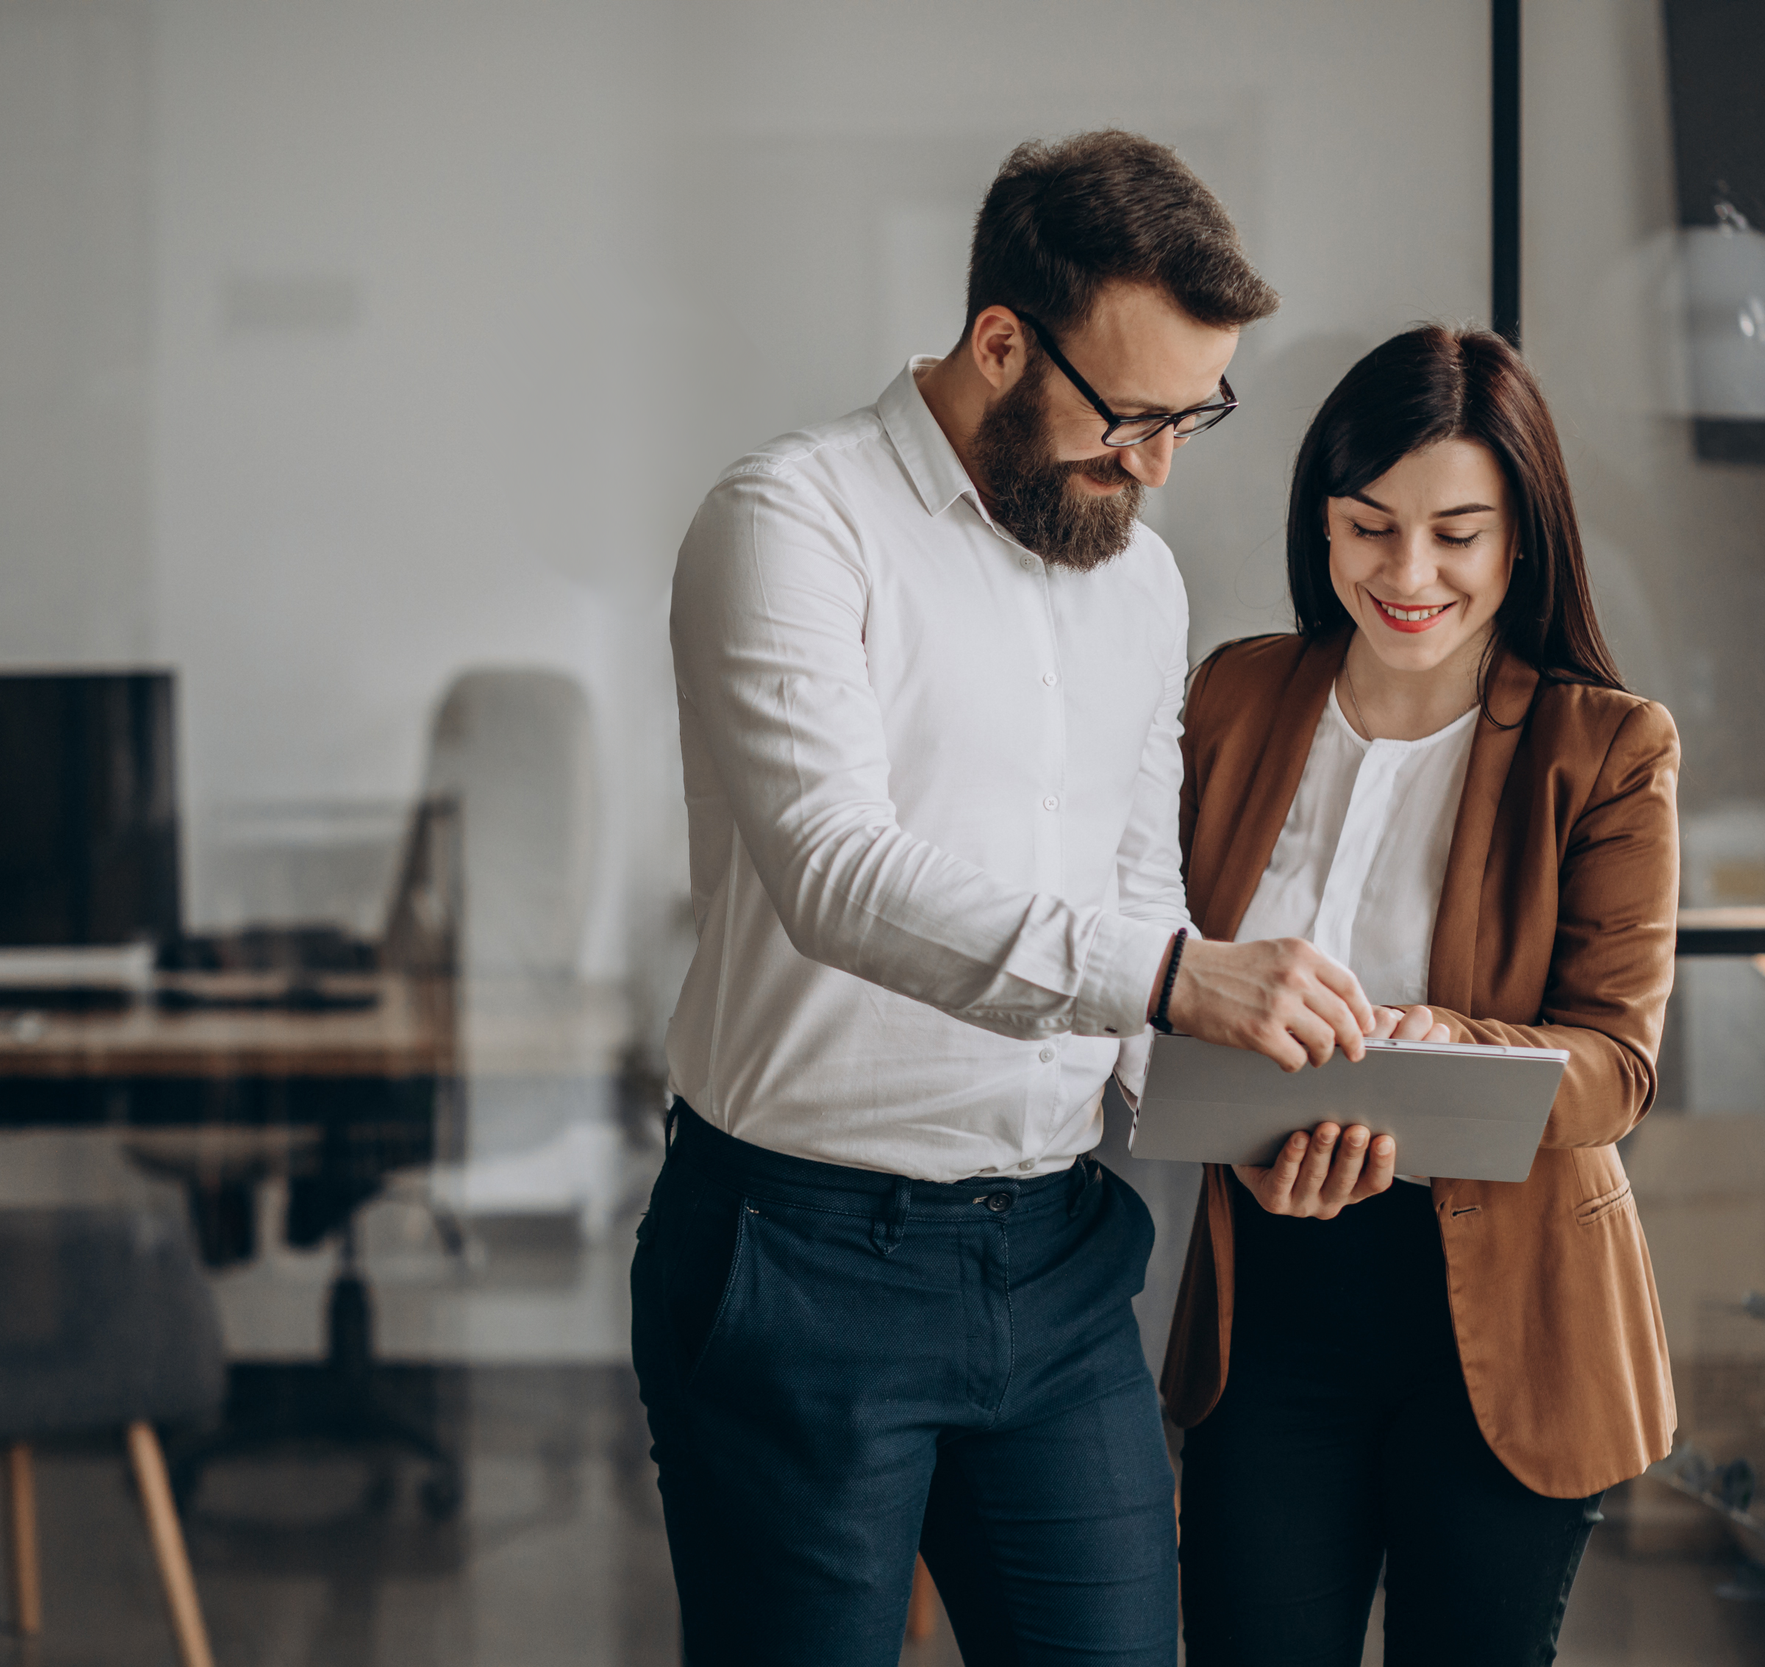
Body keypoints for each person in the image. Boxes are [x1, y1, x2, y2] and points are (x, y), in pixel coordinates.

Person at [641, 130, 1394, 1666]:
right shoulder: (790, 523)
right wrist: (1182, 977)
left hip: (1054, 1261)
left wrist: (1238, 1111)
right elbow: (835, 873)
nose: (1160, 463)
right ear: (1000, 341)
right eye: (1131, 414)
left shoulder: (1137, 578)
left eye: (1197, 416)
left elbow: (1131, 882)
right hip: (798, 1255)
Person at [1160, 325, 1680, 1666]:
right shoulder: (1234, 695)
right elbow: (1153, 966)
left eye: (1459, 533)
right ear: (1320, 521)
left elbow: (1615, 1068)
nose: (1408, 573)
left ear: (1523, 538)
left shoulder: (1607, 745)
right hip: (1270, 1305)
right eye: (1369, 525)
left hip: (1509, 1324)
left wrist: (1451, 1041)